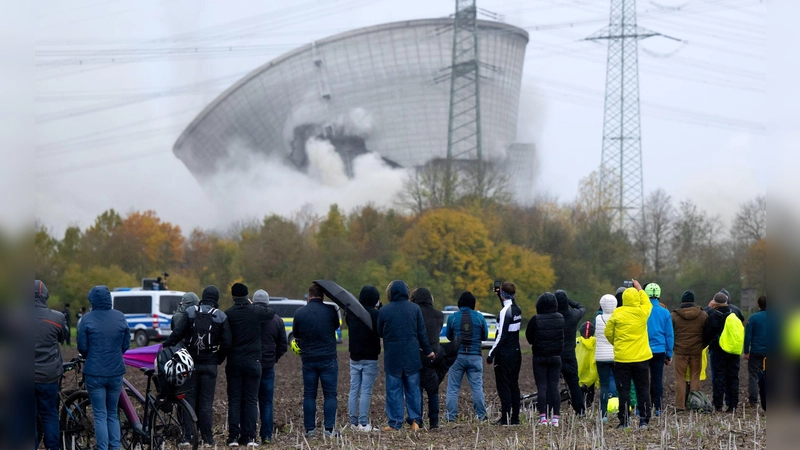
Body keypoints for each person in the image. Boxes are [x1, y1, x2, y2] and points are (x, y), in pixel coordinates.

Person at [165, 287, 232, 447]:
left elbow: (178, 333)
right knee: (206, 403)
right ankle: (208, 439)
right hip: (210, 364)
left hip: (191, 364)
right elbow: (227, 342)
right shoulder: (221, 316)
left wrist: (166, 346)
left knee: (189, 401)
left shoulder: (190, 312)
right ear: (216, 299)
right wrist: (218, 358)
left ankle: (188, 437)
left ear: (202, 297)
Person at [77, 285, 130, 450]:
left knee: (100, 414)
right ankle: (115, 447)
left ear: (92, 300)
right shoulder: (120, 317)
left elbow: (82, 347)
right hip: (115, 371)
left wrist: (90, 356)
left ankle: (102, 448)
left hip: (94, 372)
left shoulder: (86, 319)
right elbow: (126, 344)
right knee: (112, 413)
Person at [377, 281, 433, 431]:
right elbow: (421, 332)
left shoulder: (384, 311)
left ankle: (394, 422)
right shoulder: (414, 309)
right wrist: (428, 351)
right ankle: (415, 420)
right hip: (412, 355)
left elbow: (380, 332)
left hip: (393, 356)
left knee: (393, 390)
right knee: (413, 389)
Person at [224, 283, 275, 447]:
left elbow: (225, 339)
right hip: (254, 362)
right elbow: (271, 312)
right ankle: (250, 437)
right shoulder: (255, 311)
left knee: (235, 399)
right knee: (251, 399)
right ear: (247, 296)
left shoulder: (228, 314)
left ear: (233, 297)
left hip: (234, 362)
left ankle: (233, 437)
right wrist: (252, 304)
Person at [294, 282, 341, 438]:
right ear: (323, 296)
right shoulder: (331, 311)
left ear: (309, 296)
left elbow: (296, 334)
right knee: (330, 395)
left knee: (309, 395)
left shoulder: (300, 312)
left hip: (308, 358)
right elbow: (335, 327)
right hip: (328, 358)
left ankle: (310, 430)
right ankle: (329, 429)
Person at [605, 279, 652, 429]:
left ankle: (624, 421)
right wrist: (640, 289)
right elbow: (647, 303)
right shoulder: (642, 312)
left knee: (623, 390)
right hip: (642, 358)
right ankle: (644, 420)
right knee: (643, 389)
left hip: (622, 359)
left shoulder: (617, 313)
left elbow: (608, 333)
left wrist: (617, 343)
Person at [445, 291, 488, 422]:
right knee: (477, 388)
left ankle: (450, 417)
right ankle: (481, 416)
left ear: (459, 304)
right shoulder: (480, 317)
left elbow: (448, 336)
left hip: (457, 357)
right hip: (475, 356)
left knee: (453, 388)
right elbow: (485, 336)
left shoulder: (452, 317)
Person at [35, 280, 68, 450]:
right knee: (49, 415)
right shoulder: (56, 318)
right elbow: (63, 337)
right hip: (48, 376)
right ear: (45, 296)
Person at [252, 290, 287, 444]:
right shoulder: (277, 320)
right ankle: (266, 436)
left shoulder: (248, 319)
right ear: (267, 302)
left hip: (252, 364)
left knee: (251, 400)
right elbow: (283, 345)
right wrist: (274, 358)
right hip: (268, 365)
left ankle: (250, 434)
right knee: (267, 402)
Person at [486, 282, 523, 426]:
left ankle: (505, 418)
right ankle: (515, 418)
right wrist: (500, 295)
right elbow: (508, 306)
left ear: (502, 294)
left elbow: (501, 335)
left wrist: (491, 354)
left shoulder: (503, 312)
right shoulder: (517, 309)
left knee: (503, 386)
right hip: (516, 352)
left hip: (504, 354)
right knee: (514, 385)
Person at [525, 292, 564, 427]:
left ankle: (543, 418)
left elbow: (529, 338)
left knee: (542, 387)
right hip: (556, 357)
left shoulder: (535, 319)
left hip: (540, 357)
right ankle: (556, 419)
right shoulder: (560, 318)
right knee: (554, 387)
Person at [347, 286, 381, 432]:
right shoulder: (376, 314)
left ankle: (353, 422)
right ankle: (363, 422)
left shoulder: (351, 313)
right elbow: (380, 331)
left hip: (354, 357)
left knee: (354, 389)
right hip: (370, 357)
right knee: (366, 390)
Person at [705, 291, 745, 412]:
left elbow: (707, 334)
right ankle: (732, 405)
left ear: (715, 303)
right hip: (733, 350)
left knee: (719, 377)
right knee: (733, 377)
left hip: (718, 351)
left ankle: (718, 405)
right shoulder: (735, 314)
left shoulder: (712, 315)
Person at [670, 290, 709, 412]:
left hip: (680, 351)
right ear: (693, 301)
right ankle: (695, 405)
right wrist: (702, 345)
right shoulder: (703, 315)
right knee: (695, 377)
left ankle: (680, 406)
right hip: (696, 351)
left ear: (682, 301)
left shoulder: (674, 315)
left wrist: (674, 347)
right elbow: (707, 333)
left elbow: (670, 334)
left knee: (680, 378)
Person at [410, 287, 443, 429]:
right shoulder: (439, 315)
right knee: (433, 390)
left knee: (417, 389)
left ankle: (418, 420)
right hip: (433, 356)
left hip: (417, 355)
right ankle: (434, 421)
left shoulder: (414, 313)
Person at [555, 290, 587, 415]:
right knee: (574, 384)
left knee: (552, 384)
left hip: (555, 354)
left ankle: (550, 411)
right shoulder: (573, 315)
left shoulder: (553, 316)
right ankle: (580, 410)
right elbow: (581, 307)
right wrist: (569, 301)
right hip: (569, 355)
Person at [644, 283, 673, 416]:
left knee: (643, 380)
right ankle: (658, 408)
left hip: (643, 350)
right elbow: (669, 335)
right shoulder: (665, 312)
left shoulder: (642, 310)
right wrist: (669, 352)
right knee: (657, 380)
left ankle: (643, 407)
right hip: (659, 350)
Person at [594, 294, 616, 422]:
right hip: (616, 355)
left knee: (604, 385)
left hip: (601, 356)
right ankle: (623, 412)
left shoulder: (598, 318)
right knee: (621, 384)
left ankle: (603, 415)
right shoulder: (618, 318)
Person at [744, 296, 766, 409]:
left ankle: (753, 401)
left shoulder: (753, 318)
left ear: (758, 305)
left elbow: (748, 336)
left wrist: (746, 351)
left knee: (753, 376)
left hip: (756, 351)